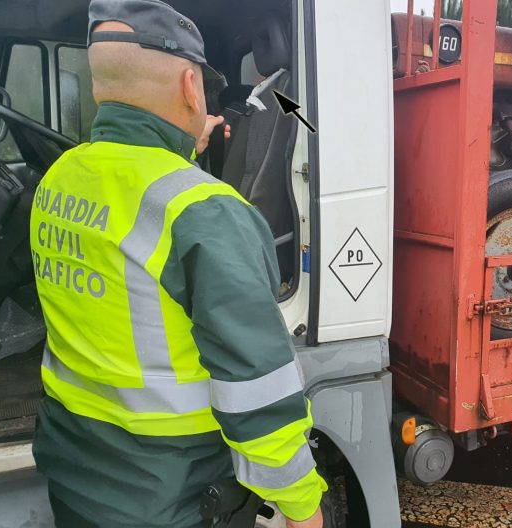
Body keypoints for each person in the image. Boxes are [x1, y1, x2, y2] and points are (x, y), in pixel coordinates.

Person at [29, 0, 326, 526]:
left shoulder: (58, 179)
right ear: (192, 86)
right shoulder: (208, 215)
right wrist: (303, 510)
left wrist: (181, 148)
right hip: (169, 496)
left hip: (76, 476)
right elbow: (258, 398)